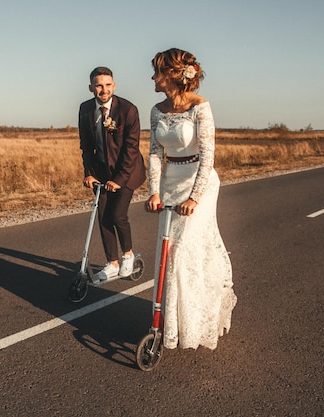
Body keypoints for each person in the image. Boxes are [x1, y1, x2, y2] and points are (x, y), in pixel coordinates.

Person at [145, 48, 237, 350]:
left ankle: (199, 320)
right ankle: (171, 326)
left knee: (184, 253)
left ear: (173, 73)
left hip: (200, 182)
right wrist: (154, 191)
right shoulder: (157, 110)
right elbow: (156, 153)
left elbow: (208, 154)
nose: (153, 77)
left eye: (157, 71)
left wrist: (195, 198)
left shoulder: (200, 107)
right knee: (167, 255)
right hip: (171, 182)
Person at [79, 66, 146, 282]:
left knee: (117, 215)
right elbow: (86, 145)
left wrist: (119, 180)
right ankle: (112, 263)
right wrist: (89, 173)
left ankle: (128, 254)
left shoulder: (128, 110)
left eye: (108, 85)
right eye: (98, 85)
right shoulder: (86, 109)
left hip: (127, 171)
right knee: (103, 216)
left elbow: (131, 149)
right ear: (91, 87)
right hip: (101, 172)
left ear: (114, 85)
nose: (103, 89)